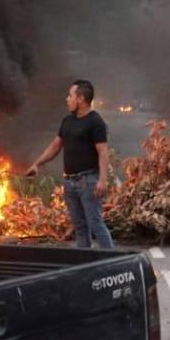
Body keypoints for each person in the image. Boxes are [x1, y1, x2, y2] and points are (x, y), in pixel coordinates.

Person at [26, 80, 114, 249]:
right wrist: (37, 164)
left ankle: (112, 260)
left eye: (70, 96)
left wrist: (102, 180)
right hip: (70, 182)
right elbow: (55, 146)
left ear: (80, 98)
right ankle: (84, 260)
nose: (67, 99)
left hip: (88, 181)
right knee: (80, 227)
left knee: (95, 224)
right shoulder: (68, 121)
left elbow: (103, 151)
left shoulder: (95, 122)